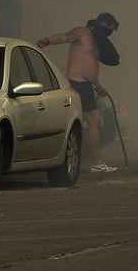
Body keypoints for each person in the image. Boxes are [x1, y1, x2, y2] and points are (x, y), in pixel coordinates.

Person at [38, 12, 120, 173]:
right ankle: (95, 161)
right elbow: (64, 36)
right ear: (103, 23)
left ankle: (89, 159)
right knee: (91, 119)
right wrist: (47, 41)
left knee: (90, 120)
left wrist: (98, 86)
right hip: (76, 83)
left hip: (87, 85)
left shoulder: (97, 43)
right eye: (109, 28)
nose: (108, 33)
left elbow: (91, 69)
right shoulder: (82, 33)